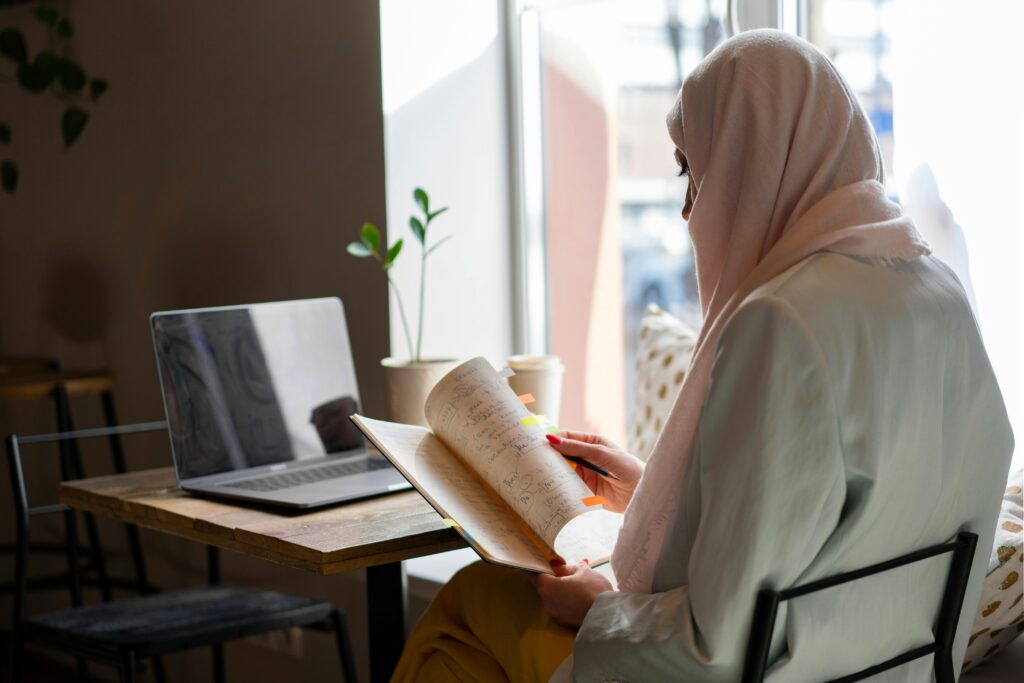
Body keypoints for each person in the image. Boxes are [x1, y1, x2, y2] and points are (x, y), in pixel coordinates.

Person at [392, 29, 1013, 682]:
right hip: (891, 669)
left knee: (470, 600)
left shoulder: (783, 321)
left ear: (756, 160)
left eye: (694, 170)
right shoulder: (938, 292)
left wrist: (599, 609)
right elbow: (831, 527)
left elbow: (716, 646)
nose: (690, 209)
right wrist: (654, 492)